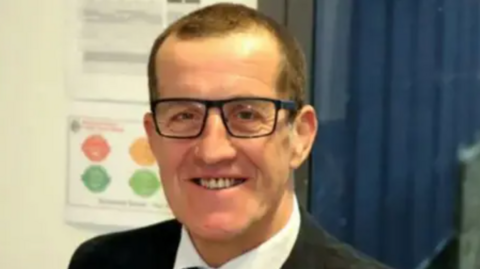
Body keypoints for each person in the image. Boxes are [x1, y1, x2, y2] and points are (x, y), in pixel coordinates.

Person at [68, 3, 391, 269]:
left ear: (300, 137)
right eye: (184, 115)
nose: (212, 151)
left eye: (247, 114)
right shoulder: (100, 263)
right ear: (153, 139)